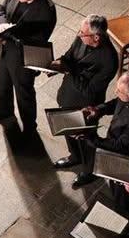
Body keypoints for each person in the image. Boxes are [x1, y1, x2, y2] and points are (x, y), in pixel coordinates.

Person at [0, 0, 57, 135]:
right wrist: (2, 25)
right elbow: (1, 10)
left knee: (24, 92)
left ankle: (30, 126)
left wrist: (8, 34)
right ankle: (4, 110)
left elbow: (36, 41)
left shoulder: (46, 11)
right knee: (1, 82)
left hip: (23, 57)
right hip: (5, 49)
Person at [51, 14, 119, 170]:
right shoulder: (81, 37)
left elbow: (90, 91)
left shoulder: (109, 60)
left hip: (85, 106)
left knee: (86, 141)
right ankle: (74, 156)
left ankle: (88, 171)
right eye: (79, 31)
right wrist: (58, 65)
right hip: (68, 94)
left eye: (83, 33)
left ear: (96, 37)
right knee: (68, 130)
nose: (79, 35)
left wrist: (70, 70)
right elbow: (70, 56)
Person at [72, 70, 129, 192]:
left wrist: (91, 138)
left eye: (119, 91)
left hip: (127, 160)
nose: (115, 92)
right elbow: (118, 102)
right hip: (117, 141)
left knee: (120, 192)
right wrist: (99, 110)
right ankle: (92, 173)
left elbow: (121, 146)